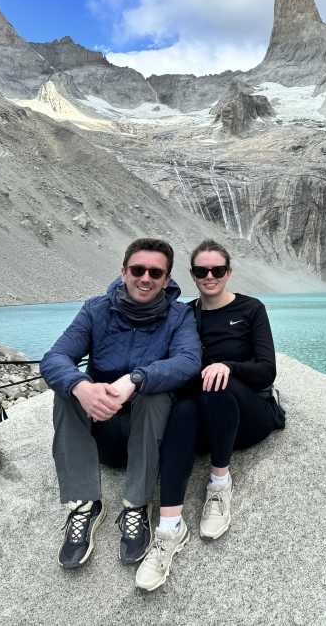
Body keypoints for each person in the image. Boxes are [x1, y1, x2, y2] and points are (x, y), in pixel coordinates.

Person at [41, 238, 201, 571]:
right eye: (138, 269)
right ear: (123, 271)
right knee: (66, 389)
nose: (146, 278)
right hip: (104, 428)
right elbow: (55, 358)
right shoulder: (95, 309)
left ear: (167, 279)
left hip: (148, 432)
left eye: (155, 272)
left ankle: (136, 504)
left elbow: (188, 361)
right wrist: (82, 386)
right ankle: (84, 504)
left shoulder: (179, 316)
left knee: (156, 391)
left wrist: (136, 380)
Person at [134, 239, 284, 591]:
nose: (210, 276)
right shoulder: (187, 314)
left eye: (217, 270)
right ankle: (170, 529)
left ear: (228, 273)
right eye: (202, 271)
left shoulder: (251, 310)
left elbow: (266, 371)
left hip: (249, 415)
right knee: (183, 411)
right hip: (206, 416)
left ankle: (219, 484)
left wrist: (226, 366)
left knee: (214, 384)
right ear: (193, 275)